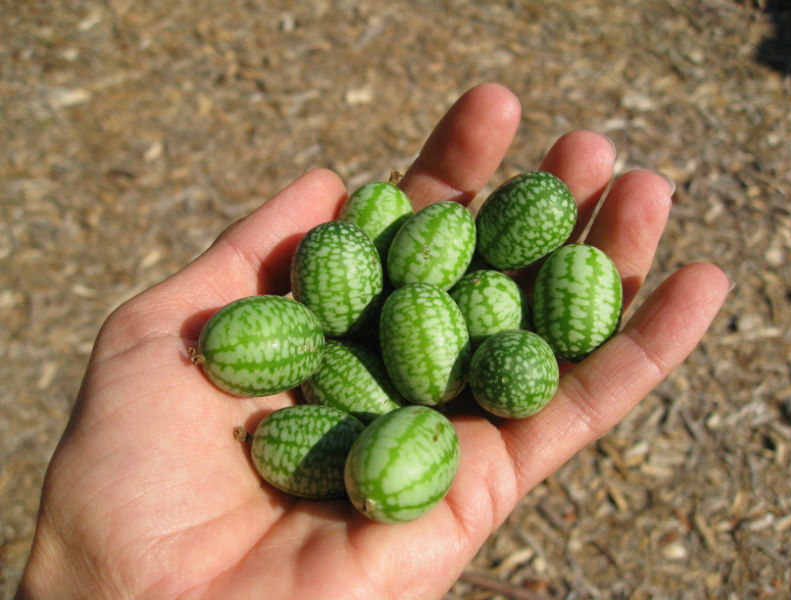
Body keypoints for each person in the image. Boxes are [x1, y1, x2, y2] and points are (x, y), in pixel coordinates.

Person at [15, 83, 729, 600]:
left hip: (406, 382)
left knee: (511, 236)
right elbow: (403, 315)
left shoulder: (452, 327)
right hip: (377, 385)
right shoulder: (358, 354)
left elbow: (424, 310)